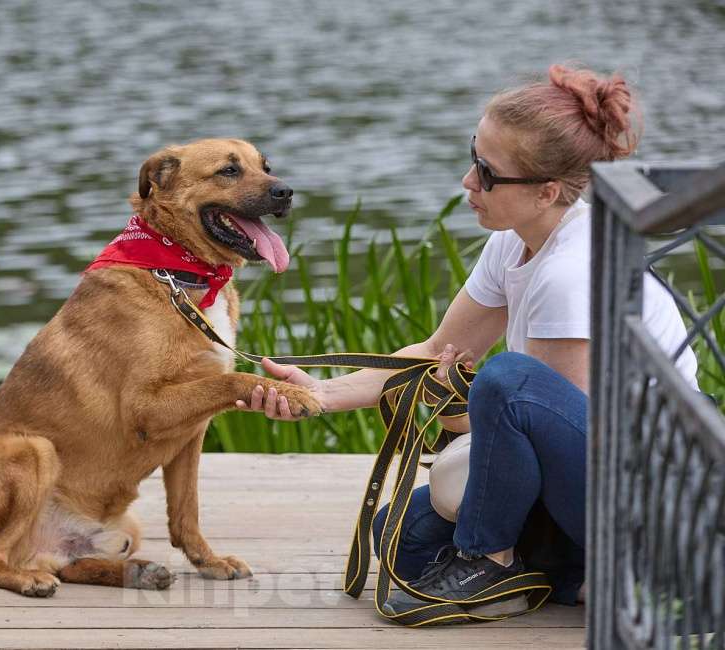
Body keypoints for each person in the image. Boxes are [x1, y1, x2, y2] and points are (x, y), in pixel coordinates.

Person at [235, 64, 699, 611]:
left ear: (547, 190)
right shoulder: (515, 239)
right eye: (472, 155)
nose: (468, 182)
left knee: (506, 379)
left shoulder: (574, 268)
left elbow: (558, 432)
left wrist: (454, 408)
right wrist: (317, 394)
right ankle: (570, 574)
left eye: (486, 172)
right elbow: (435, 351)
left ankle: (497, 568)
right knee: (396, 538)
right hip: (587, 471)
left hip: (640, 487)